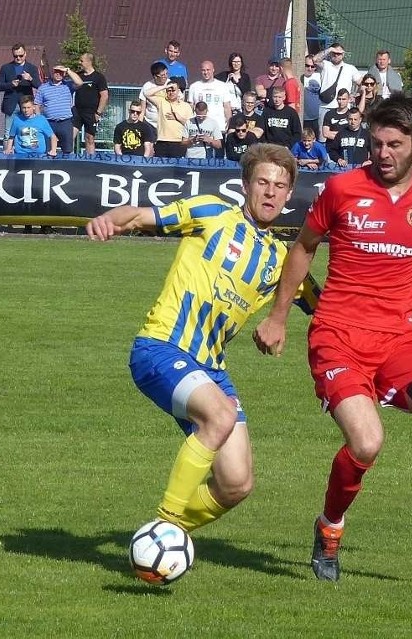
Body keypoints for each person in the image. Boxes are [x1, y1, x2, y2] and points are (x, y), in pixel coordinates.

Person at [252, 94, 412, 582]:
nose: (383, 153)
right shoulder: (342, 188)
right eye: (376, 144)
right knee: (368, 443)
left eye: (394, 144)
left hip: (397, 339)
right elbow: (303, 249)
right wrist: (279, 317)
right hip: (337, 336)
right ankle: (329, 528)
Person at [85, 144, 318, 544]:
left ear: (289, 193)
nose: (270, 192)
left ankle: (164, 539)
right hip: (161, 348)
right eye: (262, 182)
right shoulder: (211, 212)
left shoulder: (283, 260)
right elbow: (139, 215)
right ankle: (165, 523)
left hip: (211, 369)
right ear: (246, 185)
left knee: (236, 483)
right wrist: (110, 219)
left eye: (280, 186)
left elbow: (328, 309)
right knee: (221, 416)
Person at [0, 43, 42, 140]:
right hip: (11, 105)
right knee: (8, 133)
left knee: (28, 132)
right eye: (15, 56)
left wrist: (30, 78)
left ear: (25, 54)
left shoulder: (32, 68)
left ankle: (27, 153)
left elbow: (39, 85)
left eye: (20, 55)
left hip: (26, 105)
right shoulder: (6, 68)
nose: (18, 58)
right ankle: (7, 153)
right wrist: (11, 84)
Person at [35, 65, 83, 155]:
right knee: (48, 150)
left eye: (61, 72)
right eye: (56, 72)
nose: (58, 74)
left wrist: (68, 70)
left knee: (68, 151)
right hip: (49, 123)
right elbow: (37, 104)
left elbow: (80, 83)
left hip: (65, 123)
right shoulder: (43, 88)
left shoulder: (68, 85)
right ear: (52, 73)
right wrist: (39, 120)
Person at [312, 43, 362, 126]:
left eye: (339, 53)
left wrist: (356, 95)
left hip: (344, 108)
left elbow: (362, 83)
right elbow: (315, 59)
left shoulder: (350, 68)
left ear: (343, 54)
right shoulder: (325, 65)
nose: (336, 55)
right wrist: (330, 49)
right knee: (323, 136)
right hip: (325, 107)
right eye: (334, 53)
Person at [187, 61, 233, 145]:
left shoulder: (222, 86)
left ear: (213, 70)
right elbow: (190, 107)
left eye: (208, 70)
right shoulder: (194, 86)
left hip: (218, 127)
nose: (206, 72)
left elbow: (227, 107)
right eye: (203, 70)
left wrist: (229, 124)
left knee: (219, 155)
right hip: (199, 128)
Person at [146, 76, 192, 158]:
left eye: (173, 90)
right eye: (169, 90)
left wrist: (178, 118)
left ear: (178, 91)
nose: (171, 92)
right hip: (162, 141)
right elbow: (147, 93)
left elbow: (191, 125)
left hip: (178, 142)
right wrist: (165, 86)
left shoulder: (186, 106)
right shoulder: (162, 101)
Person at [72, 53, 109, 156]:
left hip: (91, 113)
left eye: (81, 61)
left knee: (89, 138)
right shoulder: (78, 75)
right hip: (77, 112)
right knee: (70, 135)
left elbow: (104, 96)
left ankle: (91, 160)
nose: (79, 63)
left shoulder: (99, 77)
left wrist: (98, 112)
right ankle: (68, 158)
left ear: (89, 62)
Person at [142, 62, 169, 129]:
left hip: (166, 124)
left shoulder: (170, 84)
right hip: (150, 124)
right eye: (162, 75)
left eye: (166, 73)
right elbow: (142, 109)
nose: (165, 76)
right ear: (155, 76)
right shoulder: (147, 86)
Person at [301, 56, 322, 138]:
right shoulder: (297, 76)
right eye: (307, 65)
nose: (309, 68)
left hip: (315, 119)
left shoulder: (320, 77)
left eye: (312, 66)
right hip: (301, 118)